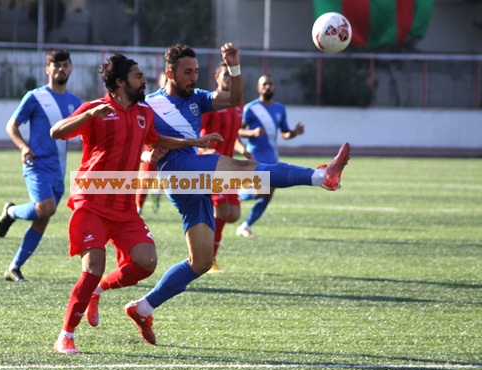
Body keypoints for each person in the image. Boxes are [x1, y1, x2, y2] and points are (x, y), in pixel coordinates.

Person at [123, 42, 350, 345]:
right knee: (245, 168)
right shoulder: (149, 105)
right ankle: (322, 176)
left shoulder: (198, 98)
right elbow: (134, 141)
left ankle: (143, 308)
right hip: (178, 172)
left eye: (196, 71)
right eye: (187, 72)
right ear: (170, 73)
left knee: (200, 262)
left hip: (191, 180)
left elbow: (235, 99)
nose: (194, 77)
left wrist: (234, 67)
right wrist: (148, 154)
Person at [49, 53, 222, 354]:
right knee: (93, 267)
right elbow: (57, 131)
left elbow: (156, 140)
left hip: (124, 206)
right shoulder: (97, 108)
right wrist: (88, 116)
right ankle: (66, 335)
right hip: (92, 200)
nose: (144, 81)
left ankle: (97, 290)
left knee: (146, 262)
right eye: (138, 76)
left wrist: (193, 143)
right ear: (120, 82)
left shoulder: (144, 113)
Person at [0, 49, 82, 282]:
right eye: (56, 65)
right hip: (36, 164)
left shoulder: (75, 103)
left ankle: (14, 268)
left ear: (70, 68)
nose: (61, 69)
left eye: (65, 65)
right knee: (46, 208)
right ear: (48, 69)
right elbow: (12, 126)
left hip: (58, 170)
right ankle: (11, 212)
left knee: (42, 219)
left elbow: (86, 133)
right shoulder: (35, 97)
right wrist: (23, 147)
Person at [235, 74, 305, 238]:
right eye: (264, 84)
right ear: (259, 88)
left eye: (270, 84)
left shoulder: (280, 109)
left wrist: (295, 132)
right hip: (255, 156)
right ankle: (232, 196)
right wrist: (252, 132)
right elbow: (237, 130)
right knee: (260, 192)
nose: (267, 87)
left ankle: (245, 226)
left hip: (272, 156)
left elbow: (284, 134)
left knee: (268, 194)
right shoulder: (251, 108)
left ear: (274, 87)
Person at [199, 61, 251, 272]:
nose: (229, 79)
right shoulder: (211, 102)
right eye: (225, 75)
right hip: (213, 165)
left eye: (231, 75)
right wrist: (205, 150)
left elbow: (234, 135)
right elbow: (198, 133)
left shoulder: (238, 104)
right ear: (216, 78)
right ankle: (209, 259)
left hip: (229, 166)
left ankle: (203, 227)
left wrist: (243, 150)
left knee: (233, 214)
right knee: (222, 211)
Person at [136, 72, 168, 214]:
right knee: (148, 177)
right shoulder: (151, 101)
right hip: (153, 145)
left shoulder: (178, 102)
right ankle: (139, 207)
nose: (168, 82)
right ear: (160, 82)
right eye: (165, 80)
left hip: (170, 146)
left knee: (169, 176)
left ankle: (157, 194)